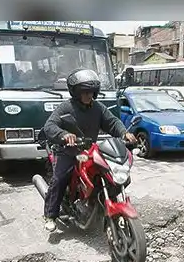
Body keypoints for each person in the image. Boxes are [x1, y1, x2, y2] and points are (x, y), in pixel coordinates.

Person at [40, 69, 138, 232]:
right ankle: (50, 215)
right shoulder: (66, 108)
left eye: (91, 92)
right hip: (67, 151)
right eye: (84, 92)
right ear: (76, 92)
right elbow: (50, 126)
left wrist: (124, 133)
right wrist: (64, 134)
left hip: (89, 150)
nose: (88, 95)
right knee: (59, 179)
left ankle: (101, 204)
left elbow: (112, 122)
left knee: (109, 173)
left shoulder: (98, 108)